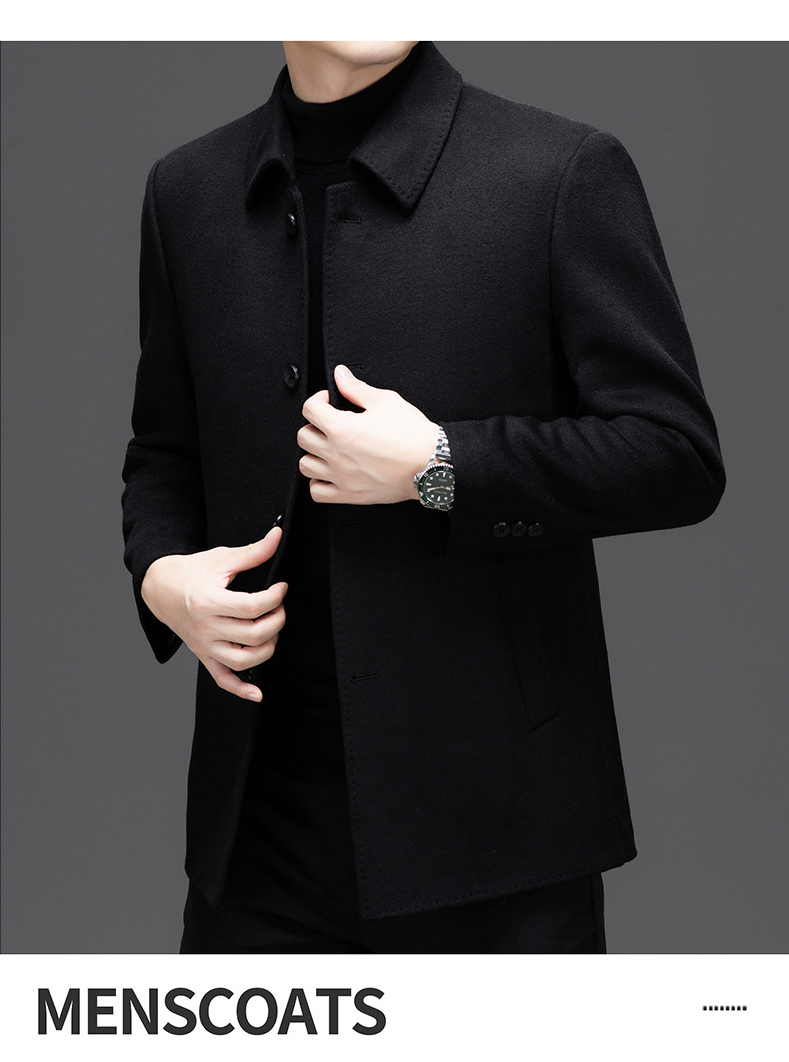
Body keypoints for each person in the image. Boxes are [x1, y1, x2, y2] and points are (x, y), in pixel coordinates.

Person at [121, 41, 725, 953]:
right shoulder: (187, 191)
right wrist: (162, 575)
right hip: (257, 841)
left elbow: (675, 451)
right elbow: (163, 450)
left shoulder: (558, 170)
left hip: (499, 841)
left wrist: (442, 465)